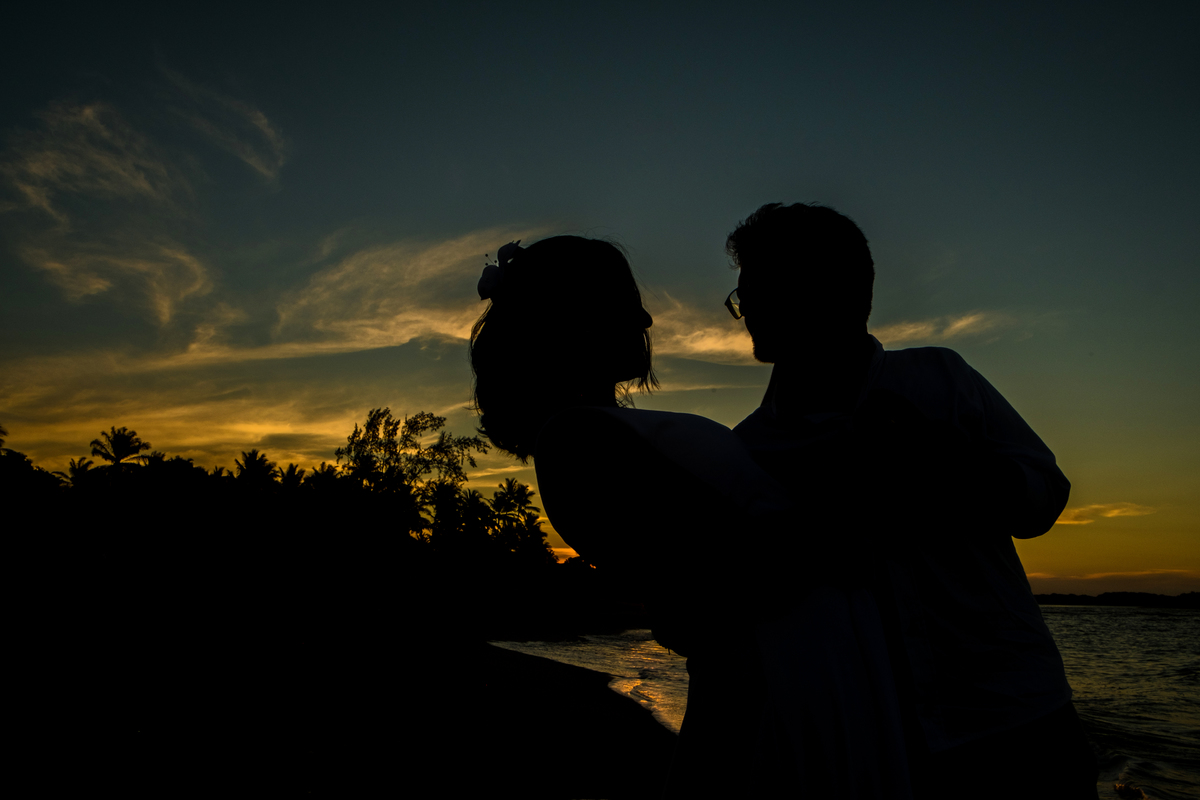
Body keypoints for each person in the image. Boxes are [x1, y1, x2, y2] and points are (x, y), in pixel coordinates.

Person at [469, 235, 912, 798]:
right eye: (625, 298)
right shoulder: (578, 442)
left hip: (798, 669)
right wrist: (871, 465)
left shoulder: (596, 435)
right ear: (573, 314)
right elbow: (762, 568)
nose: (646, 316)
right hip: (785, 681)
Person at [724, 202, 1100, 800]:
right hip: (876, 735)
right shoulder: (750, 450)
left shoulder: (941, 380)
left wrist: (947, 470)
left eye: (762, 289)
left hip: (1019, 710)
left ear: (837, 290)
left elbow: (1043, 499)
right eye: (744, 295)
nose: (748, 313)